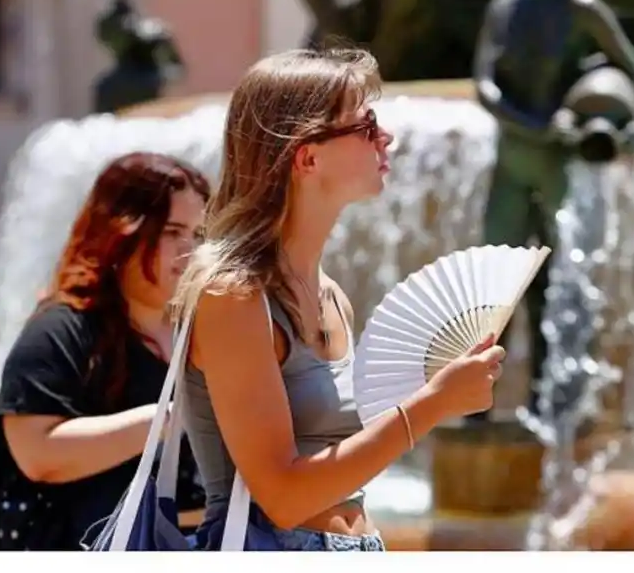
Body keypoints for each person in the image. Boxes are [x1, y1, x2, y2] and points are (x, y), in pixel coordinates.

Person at [172, 48, 507, 552]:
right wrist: (436, 403)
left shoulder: (332, 296)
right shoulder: (232, 297)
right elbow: (282, 498)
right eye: (366, 124)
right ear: (307, 156)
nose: (385, 137)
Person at [0, 151, 211, 550]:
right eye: (173, 232)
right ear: (122, 232)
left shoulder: (196, 333)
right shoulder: (60, 329)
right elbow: (38, 454)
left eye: (197, 234)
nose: (189, 251)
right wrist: (163, 421)